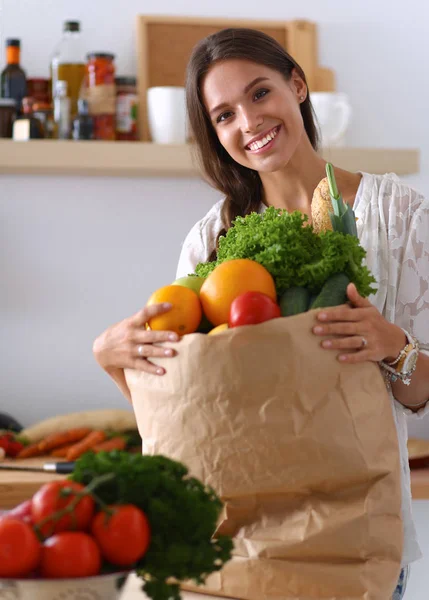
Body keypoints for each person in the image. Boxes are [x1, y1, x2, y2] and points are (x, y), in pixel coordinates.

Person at [93, 28, 429, 599]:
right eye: (223, 115)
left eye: (259, 94)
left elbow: (421, 394)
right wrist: (112, 359)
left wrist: (393, 345)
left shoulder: (399, 217)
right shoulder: (210, 241)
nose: (248, 123)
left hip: (356, 537)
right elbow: (189, 404)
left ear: (296, 86)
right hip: (240, 543)